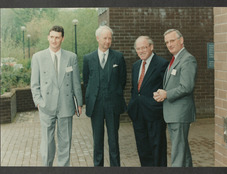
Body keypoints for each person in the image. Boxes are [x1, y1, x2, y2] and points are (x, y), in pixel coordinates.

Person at [31, 25, 83, 166]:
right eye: (52, 37)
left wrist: (79, 102)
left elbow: (76, 82)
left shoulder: (71, 57)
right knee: (47, 142)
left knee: (65, 141)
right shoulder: (38, 57)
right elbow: (34, 83)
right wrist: (38, 101)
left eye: (57, 37)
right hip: (46, 105)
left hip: (66, 104)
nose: (54, 40)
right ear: (48, 37)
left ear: (62, 38)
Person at [83, 25, 126, 166]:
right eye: (105, 38)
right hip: (96, 105)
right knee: (97, 140)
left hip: (113, 105)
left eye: (110, 38)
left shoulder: (118, 57)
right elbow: (87, 80)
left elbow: (122, 80)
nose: (108, 41)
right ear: (98, 38)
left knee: (114, 140)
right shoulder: (88, 58)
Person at [153, 29, 197, 167]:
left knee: (178, 154)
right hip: (173, 113)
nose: (169, 44)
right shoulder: (175, 59)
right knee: (183, 151)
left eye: (172, 41)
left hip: (180, 114)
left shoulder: (187, 59)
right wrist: (162, 93)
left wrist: (167, 94)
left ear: (181, 40)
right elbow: (173, 84)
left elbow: (187, 87)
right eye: (167, 42)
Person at [127, 36, 169, 166]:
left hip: (155, 115)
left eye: (144, 47)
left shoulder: (162, 64)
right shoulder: (136, 65)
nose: (141, 51)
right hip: (138, 114)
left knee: (158, 149)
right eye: (138, 49)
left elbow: (166, 89)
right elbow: (135, 89)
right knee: (143, 149)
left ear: (151, 47)